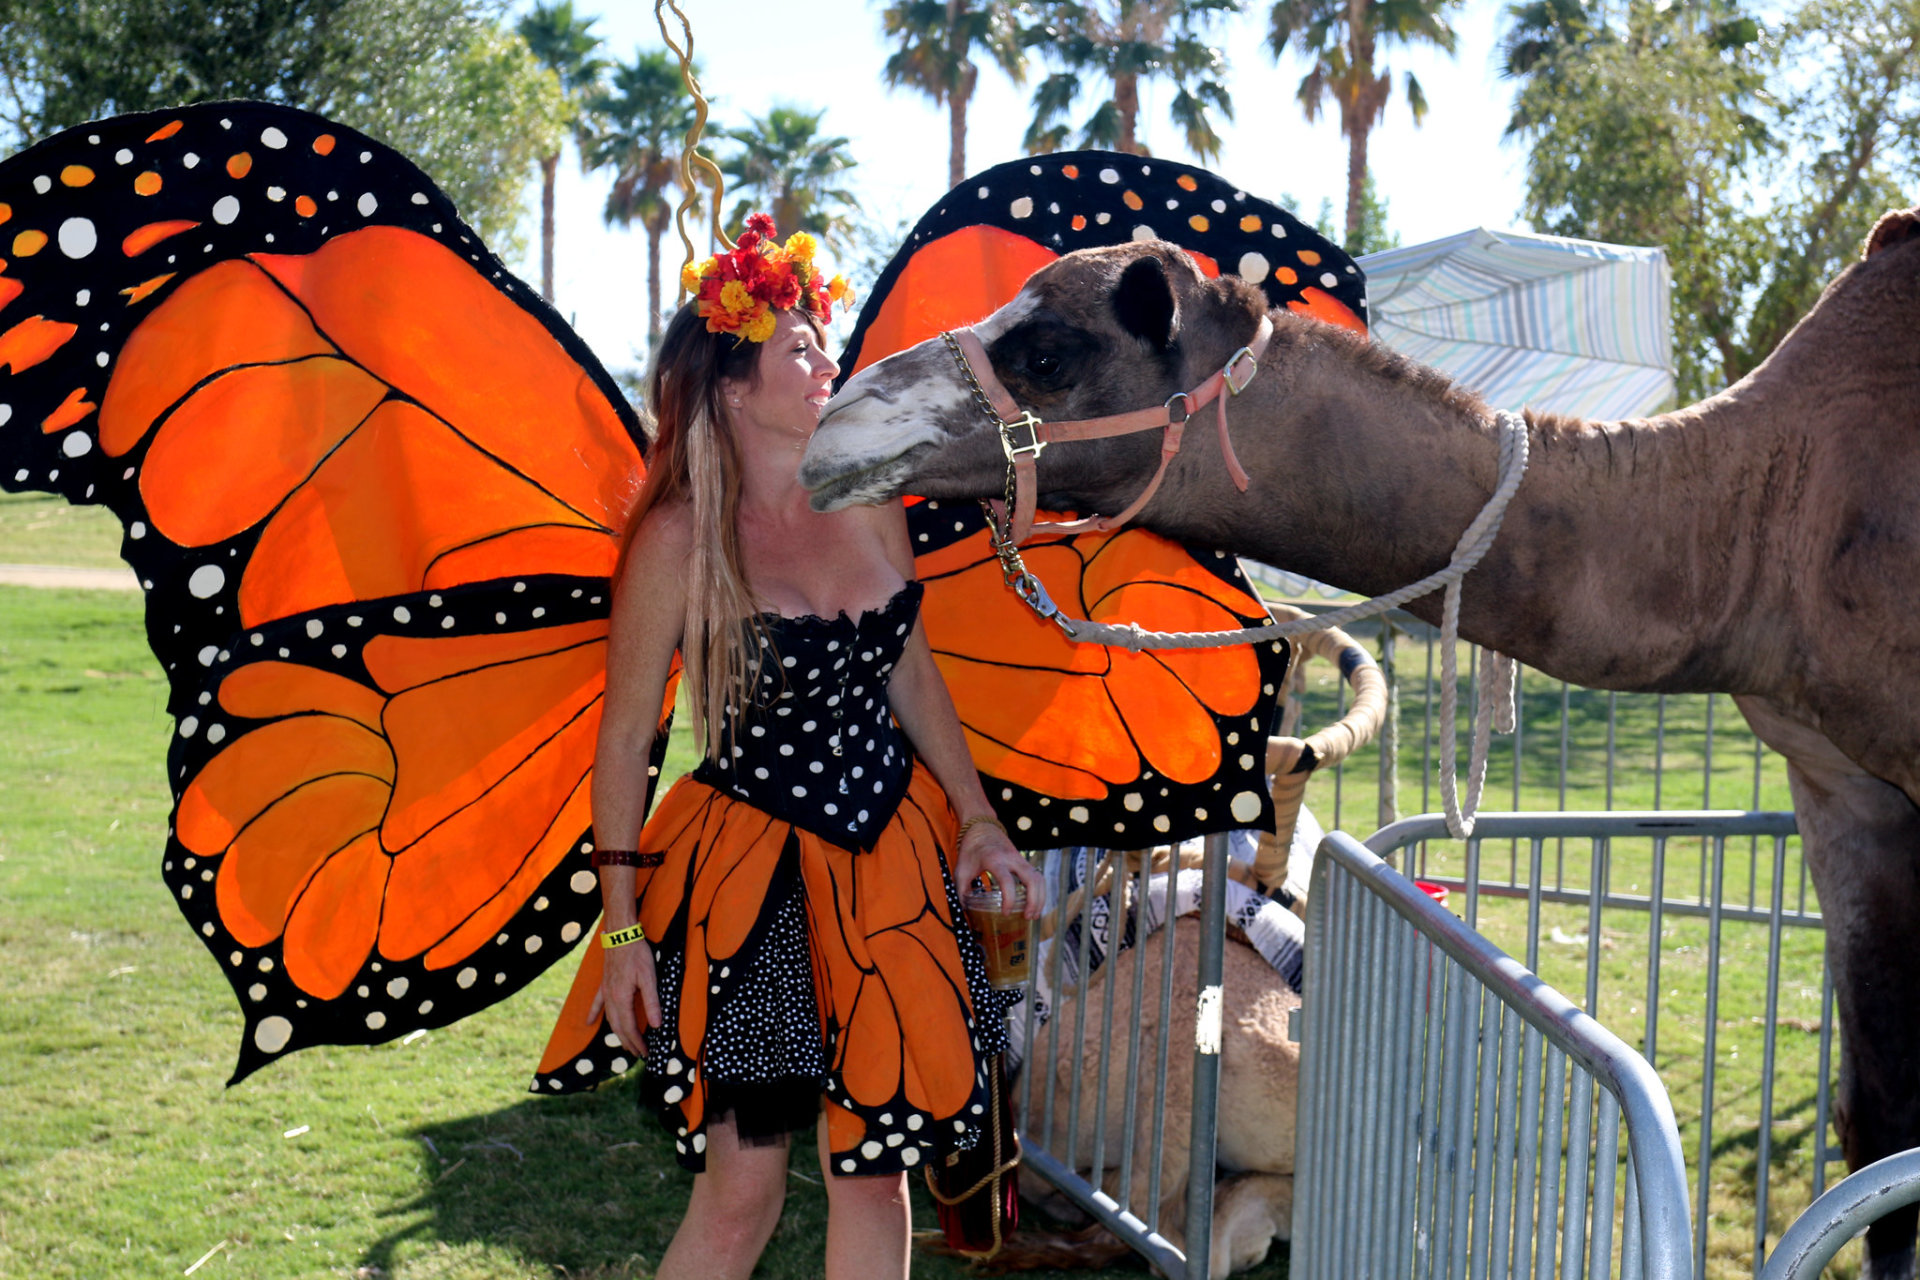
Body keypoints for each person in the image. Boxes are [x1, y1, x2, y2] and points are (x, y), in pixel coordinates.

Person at [587, 214, 1045, 1280]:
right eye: (799, 347)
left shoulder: (872, 494)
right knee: (742, 1183)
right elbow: (625, 734)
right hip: (756, 892)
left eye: (820, 341)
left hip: (894, 868)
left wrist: (978, 815)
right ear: (735, 387)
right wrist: (620, 933)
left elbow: (912, 671)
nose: (828, 361)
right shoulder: (678, 536)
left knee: (877, 1169)